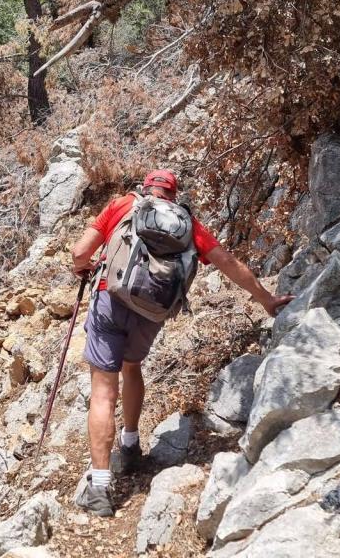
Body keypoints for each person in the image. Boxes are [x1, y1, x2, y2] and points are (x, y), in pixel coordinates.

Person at [69, 169, 293, 516]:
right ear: (173, 195)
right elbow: (229, 264)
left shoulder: (123, 205)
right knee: (133, 368)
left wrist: (80, 268)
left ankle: (99, 488)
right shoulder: (188, 225)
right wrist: (265, 298)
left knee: (103, 391)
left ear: (146, 188)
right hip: (151, 313)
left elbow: (80, 252)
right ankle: (130, 445)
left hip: (110, 302)